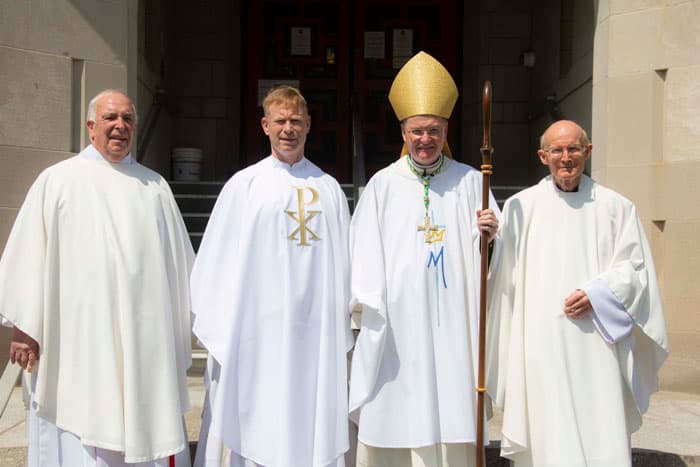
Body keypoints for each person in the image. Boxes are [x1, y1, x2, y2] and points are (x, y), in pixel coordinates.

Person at [0, 89, 195, 466]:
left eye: (127, 119)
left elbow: (180, 270)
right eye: (110, 118)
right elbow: (29, 256)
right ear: (91, 127)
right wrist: (25, 329)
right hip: (77, 342)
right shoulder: (58, 181)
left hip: (142, 342)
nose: (120, 126)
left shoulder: (155, 188)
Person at [486, 120, 668, 467]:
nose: (566, 157)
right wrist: (488, 242)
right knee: (545, 429)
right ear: (543, 156)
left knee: (598, 426)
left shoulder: (617, 208)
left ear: (588, 151)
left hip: (596, 347)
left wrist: (599, 293)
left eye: (573, 149)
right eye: (557, 150)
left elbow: (636, 271)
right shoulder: (521, 208)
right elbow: (504, 282)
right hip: (540, 348)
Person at [348, 51, 500, 466]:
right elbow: (361, 251)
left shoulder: (472, 181)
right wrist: (367, 308)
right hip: (398, 322)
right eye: (417, 131)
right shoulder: (382, 185)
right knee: (397, 400)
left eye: (433, 130)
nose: (425, 139)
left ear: (445, 129)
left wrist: (492, 236)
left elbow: (499, 259)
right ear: (403, 131)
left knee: (453, 399)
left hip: (456, 321)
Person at [191, 85, 352, 467]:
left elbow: (346, 264)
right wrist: (223, 324)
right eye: (280, 121)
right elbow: (216, 260)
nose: (288, 129)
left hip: (316, 332)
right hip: (257, 332)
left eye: (296, 121)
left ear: (309, 125)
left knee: (310, 408)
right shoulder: (244, 186)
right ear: (265, 125)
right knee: (257, 409)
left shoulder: (328, 189)